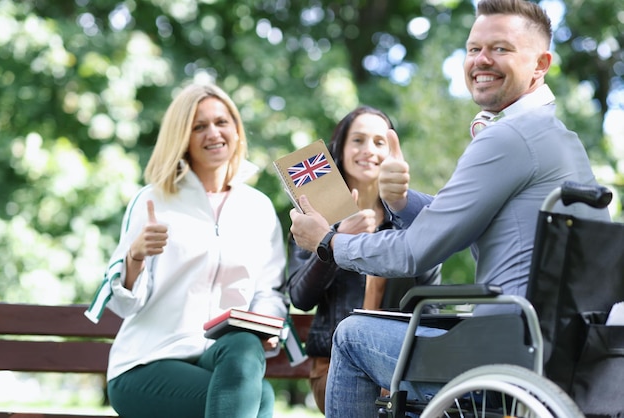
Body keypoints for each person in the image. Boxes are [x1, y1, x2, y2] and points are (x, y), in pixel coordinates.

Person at [288, 0, 612, 416]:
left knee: (351, 335)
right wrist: (402, 200)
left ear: (540, 64)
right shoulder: (558, 139)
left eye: (500, 49)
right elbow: (457, 217)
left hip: (504, 351)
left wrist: (329, 243)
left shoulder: (506, 138)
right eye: (474, 48)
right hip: (556, 351)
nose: (482, 60)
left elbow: (411, 252)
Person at [84, 83, 288, 418]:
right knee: (259, 399)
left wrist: (266, 325)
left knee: (244, 344)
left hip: (219, 359)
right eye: (199, 126)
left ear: (236, 130)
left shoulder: (259, 208)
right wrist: (135, 256)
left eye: (222, 122)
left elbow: (270, 290)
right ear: (182, 138)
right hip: (147, 362)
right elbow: (123, 304)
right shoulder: (153, 201)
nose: (213, 133)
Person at [286, 106, 442, 413]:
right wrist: (332, 242)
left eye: (379, 142)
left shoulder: (411, 216)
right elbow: (300, 297)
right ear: (340, 150)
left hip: (398, 362)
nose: (368, 150)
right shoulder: (314, 216)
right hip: (332, 364)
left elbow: (431, 302)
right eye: (358, 140)